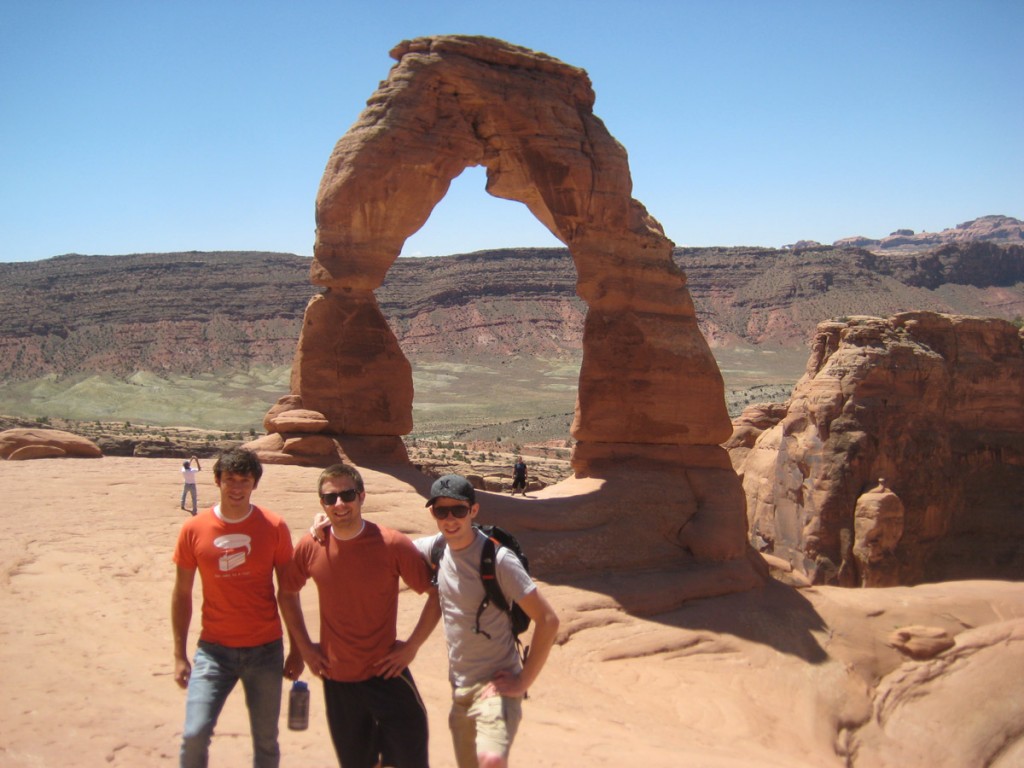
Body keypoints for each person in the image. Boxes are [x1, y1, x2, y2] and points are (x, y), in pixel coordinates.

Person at [280, 463, 440, 768]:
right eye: (330, 498)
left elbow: (435, 593)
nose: (339, 504)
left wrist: (411, 647)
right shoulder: (311, 546)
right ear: (322, 504)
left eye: (347, 494)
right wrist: (303, 648)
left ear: (362, 496)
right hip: (337, 679)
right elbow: (287, 593)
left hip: (386, 674)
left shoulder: (392, 544)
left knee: (409, 759)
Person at [171, 448, 303, 768]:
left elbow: (288, 591)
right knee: (194, 734)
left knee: (266, 741)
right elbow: (182, 593)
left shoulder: (273, 526)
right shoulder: (194, 529)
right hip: (213, 651)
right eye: (230, 479)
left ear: (254, 484)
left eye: (245, 480)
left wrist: (298, 648)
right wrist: (179, 653)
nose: (237, 487)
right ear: (217, 481)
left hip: (265, 650)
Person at [417, 474, 559, 768]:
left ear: (473, 510)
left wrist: (523, 681)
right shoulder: (437, 548)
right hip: (460, 689)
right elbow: (388, 547)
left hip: (496, 687)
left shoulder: (498, 559)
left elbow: (548, 619)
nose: (450, 519)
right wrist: (330, 524)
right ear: (432, 513)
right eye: (441, 511)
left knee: (491, 760)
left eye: (458, 510)